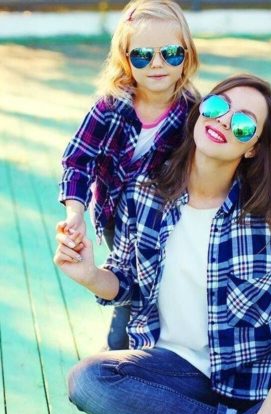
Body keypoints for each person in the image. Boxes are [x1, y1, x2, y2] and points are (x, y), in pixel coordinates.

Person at [54, 74, 271, 414]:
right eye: (218, 106)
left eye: (244, 124)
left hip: (258, 371)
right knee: (89, 379)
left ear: (253, 148)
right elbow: (128, 284)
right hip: (173, 373)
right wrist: (90, 275)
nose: (224, 121)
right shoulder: (144, 193)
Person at [57, 0, 199, 350]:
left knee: (160, 288)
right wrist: (75, 213)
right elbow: (78, 160)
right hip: (113, 218)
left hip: (164, 224)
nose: (157, 64)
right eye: (142, 56)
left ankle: (163, 351)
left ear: (187, 55)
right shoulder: (110, 106)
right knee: (127, 285)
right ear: (125, 58)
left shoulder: (194, 113)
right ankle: (118, 353)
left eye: (170, 53)